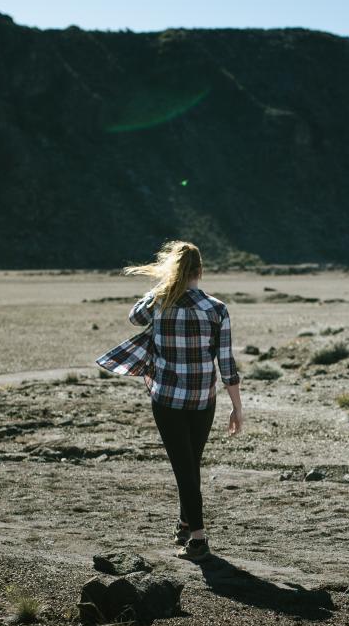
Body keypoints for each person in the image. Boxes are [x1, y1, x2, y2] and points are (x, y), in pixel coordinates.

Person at [96, 240, 243, 561]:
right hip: (204, 399)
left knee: (184, 469)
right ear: (201, 271)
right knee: (190, 465)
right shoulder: (217, 308)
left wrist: (161, 289)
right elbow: (226, 363)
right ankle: (185, 522)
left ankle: (199, 540)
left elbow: (134, 317)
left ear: (173, 271)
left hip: (167, 399)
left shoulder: (159, 303)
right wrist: (237, 407)